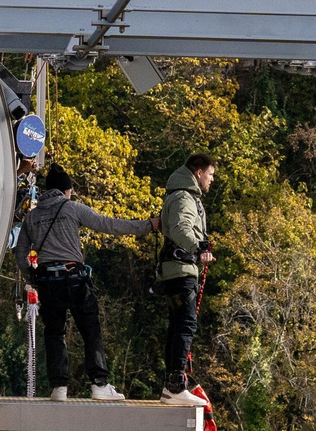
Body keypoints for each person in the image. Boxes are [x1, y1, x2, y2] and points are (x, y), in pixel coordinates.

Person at [24, 162, 155, 401]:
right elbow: (109, 224)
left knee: (54, 333)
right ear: (67, 190)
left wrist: (31, 276)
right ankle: (99, 384)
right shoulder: (72, 208)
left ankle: (59, 388)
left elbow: (21, 254)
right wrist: (148, 226)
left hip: (47, 282)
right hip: (74, 279)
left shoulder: (32, 218)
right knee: (90, 330)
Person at [156, 151, 215, 400]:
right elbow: (181, 229)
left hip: (175, 270)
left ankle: (172, 385)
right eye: (210, 175)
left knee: (177, 326)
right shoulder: (184, 198)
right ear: (198, 173)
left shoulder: (180, 195)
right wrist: (199, 249)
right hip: (181, 271)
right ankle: (176, 385)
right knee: (186, 325)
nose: (212, 180)